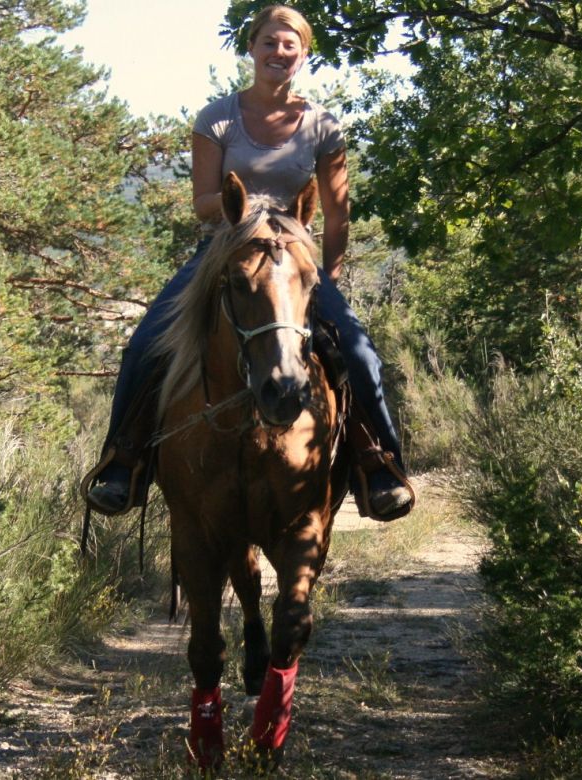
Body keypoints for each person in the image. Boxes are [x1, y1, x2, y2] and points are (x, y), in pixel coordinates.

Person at [83, 4, 413, 521]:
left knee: (359, 352)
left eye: (290, 45)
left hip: (296, 260)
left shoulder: (323, 127)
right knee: (146, 342)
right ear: (251, 48)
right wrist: (254, 210)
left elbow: (337, 211)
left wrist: (329, 275)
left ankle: (379, 465)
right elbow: (202, 203)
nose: (278, 52)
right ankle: (122, 462)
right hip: (226, 251)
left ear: (303, 56)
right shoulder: (217, 117)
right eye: (269, 43)